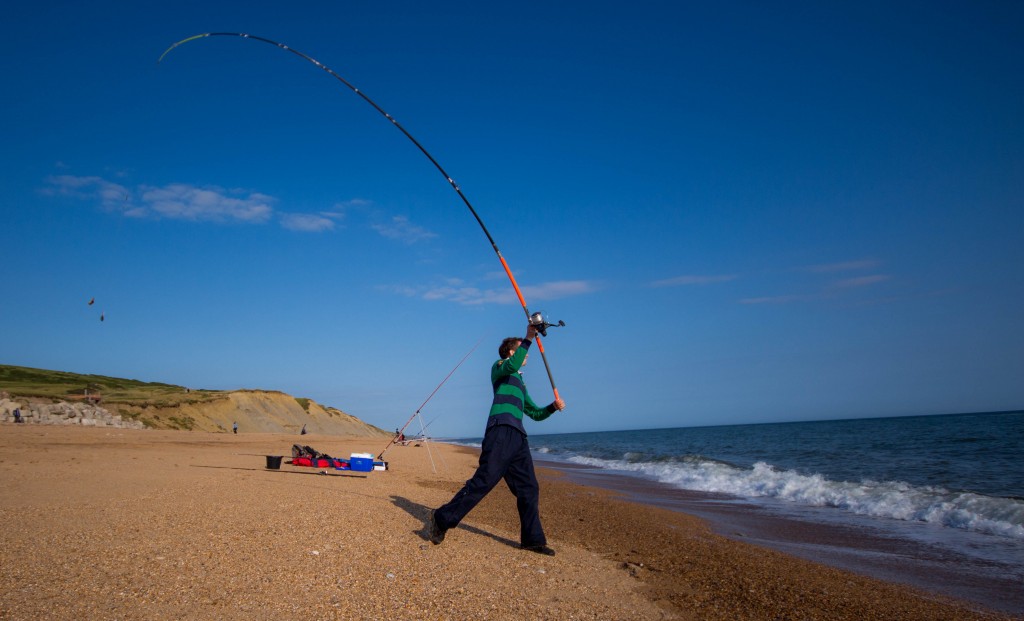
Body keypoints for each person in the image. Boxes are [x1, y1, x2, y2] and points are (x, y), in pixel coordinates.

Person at [429, 323, 566, 555]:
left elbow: (534, 413)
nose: (526, 356)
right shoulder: (500, 368)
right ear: (512, 351)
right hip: (500, 430)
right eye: (522, 350)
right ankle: (442, 518)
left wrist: (552, 407)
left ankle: (532, 539)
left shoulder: (520, 383)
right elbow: (512, 364)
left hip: (519, 437)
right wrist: (529, 337)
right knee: (484, 481)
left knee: (529, 488)